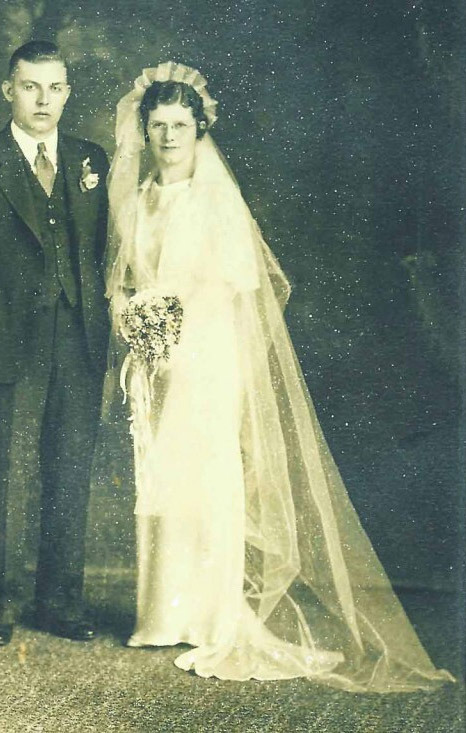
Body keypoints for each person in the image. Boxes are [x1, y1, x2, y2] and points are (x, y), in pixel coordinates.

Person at [105, 62, 454, 691]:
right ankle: (161, 615)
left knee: (207, 482)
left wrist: (181, 326)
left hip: (206, 355)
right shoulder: (138, 200)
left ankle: (212, 615)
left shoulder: (216, 200)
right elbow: (126, 280)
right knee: (160, 479)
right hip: (158, 358)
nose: (169, 137)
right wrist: (139, 320)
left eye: (180, 125)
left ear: (199, 128)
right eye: (157, 126)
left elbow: (240, 289)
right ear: (144, 131)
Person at [0, 41, 110, 646]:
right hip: (4, 342)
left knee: (69, 472)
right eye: (30, 86)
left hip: (77, 341)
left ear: (67, 92)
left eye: (55, 87)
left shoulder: (91, 160)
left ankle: (59, 602)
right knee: (4, 475)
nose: (43, 99)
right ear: (8, 90)